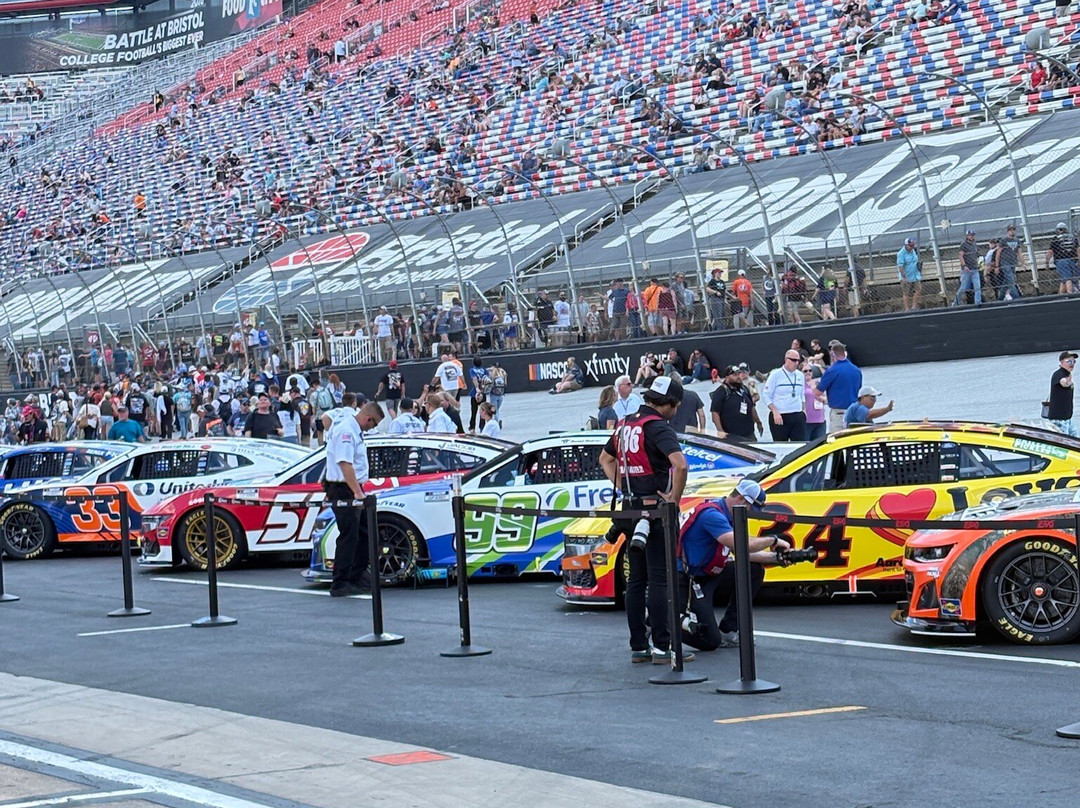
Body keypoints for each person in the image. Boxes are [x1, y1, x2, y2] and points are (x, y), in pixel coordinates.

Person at [599, 376, 690, 665]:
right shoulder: (658, 427)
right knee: (661, 578)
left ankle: (639, 645)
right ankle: (663, 647)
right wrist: (673, 499)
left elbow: (605, 458)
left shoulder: (625, 423)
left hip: (628, 509)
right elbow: (680, 464)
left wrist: (623, 487)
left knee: (636, 580)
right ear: (670, 405)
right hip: (654, 511)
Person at [678, 480, 791, 651]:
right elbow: (741, 544)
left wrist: (776, 558)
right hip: (690, 580)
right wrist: (773, 540)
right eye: (752, 508)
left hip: (708, 574)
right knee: (710, 641)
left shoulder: (723, 510)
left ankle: (728, 629)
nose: (751, 514)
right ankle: (662, 623)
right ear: (740, 499)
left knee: (753, 570)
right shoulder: (713, 515)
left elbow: (742, 553)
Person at [324, 401, 385, 597]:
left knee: (365, 534)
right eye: (373, 424)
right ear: (368, 418)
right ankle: (341, 582)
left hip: (350, 486)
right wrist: (357, 492)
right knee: (349, 537)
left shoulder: (353, 428)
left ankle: (356, 574)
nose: (372, 428)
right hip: (344, 489)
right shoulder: (347, 431)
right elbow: (344, 463)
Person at [816, 340, 862, 432]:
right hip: (854, 412)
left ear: (833, 355)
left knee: (837, 441)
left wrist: (812, 384)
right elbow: (858, 388)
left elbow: (818, 392)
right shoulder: (857, 370)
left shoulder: (832, 371)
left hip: (839, 414)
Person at [762, 349, 807, 441]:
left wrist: (803, 408)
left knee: (799, 445)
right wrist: (775, 410)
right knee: (781, 445)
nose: (796, 363)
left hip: (797, 415)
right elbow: (766, 394)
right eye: (794, 360)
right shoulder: (775, 374)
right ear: (786, 360)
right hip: (781, 415)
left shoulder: (800, 375)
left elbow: (802, 394)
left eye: (798, 360)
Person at [710, 365, 759, 440]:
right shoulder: (721, 391)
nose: (738, 377)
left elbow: (751, 407)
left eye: (739, 374)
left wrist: (758, 422)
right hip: (731, 436)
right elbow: (715, 413)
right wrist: (720, 431)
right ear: (727, 377)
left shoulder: (744, 389)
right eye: (734, 375)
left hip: (749, 434)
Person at [1047, 351, 1077, 435]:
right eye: (1069, 361)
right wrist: (1067, 383)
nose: (1072, 364)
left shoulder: (1067, 374)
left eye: (1074, 362)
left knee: (1076, 440)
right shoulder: (1059, 374)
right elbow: (1063, 382)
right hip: (1059, 419)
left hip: (1067, 418)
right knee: (1065, 444)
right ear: (1061, 362)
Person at [955, 229, 983, 306]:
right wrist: (964, 266)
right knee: (963, 287)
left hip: (974, 269)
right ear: (967, 236)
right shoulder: (964, 245)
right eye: (970, 235)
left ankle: (978, 302)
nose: (972, 237)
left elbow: (977, 255)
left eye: (973, 235)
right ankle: (956, 303)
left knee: (977, 286)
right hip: (966, 270)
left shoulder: (974, 244)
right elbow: (961, 256)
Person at [896, 237, 922, 311]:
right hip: (907, 276)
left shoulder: (914, 251)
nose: (912, 247)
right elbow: (900, 266)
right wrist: (904, 277)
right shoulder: (901, 253)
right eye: (910, 246)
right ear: (906, 245)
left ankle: (914, 306)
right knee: (906, 293)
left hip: (915, 275)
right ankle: (907, 308)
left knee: (918, 290)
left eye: (913, 245)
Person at [803, 365, 827, 441]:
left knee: (819, 444)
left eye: (810, 370)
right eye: (805, 371)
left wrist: (823, 399)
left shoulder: (818, 384)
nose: (808, 372)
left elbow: (827, 400)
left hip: (820, 420)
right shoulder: (800, 385)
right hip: (806, 421)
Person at [468, 357, 491, 431]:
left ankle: (472, 427)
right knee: (483, 410)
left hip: (474, 392)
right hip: (483, 392)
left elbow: (474, 379)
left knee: (473, 411)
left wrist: (477, 388)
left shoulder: (472, 370)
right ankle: (482, 427)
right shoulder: (485, 370)